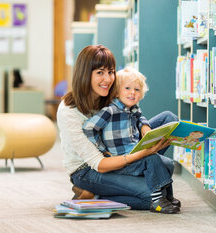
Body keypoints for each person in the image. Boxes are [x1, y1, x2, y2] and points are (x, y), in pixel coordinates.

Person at [56, 45, 180, 214]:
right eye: (100, 72)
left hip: (121, 151)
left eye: (111, 72)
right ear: (85, 73)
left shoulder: (109, 94)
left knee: (168, 121)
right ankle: (96, 195)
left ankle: (141, 174)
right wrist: (143, 154)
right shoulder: (68, 112)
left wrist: (144, 127)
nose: (107, 79)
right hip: (88, 170)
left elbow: (134, 112)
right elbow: (99, 164)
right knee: (151, 195)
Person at [82, 67, 179, 214]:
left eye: (137, 90)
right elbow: (89, 128)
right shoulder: (110, 111)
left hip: (135, 150)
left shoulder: (132, 108)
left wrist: (144, 126)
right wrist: (102, 149)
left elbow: (140, 116)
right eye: (127, 88)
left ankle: (168, 197)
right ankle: (157, 201)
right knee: (152, 158)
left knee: (168, 163)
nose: (132, 92)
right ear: (116, 91)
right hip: (122, 160)